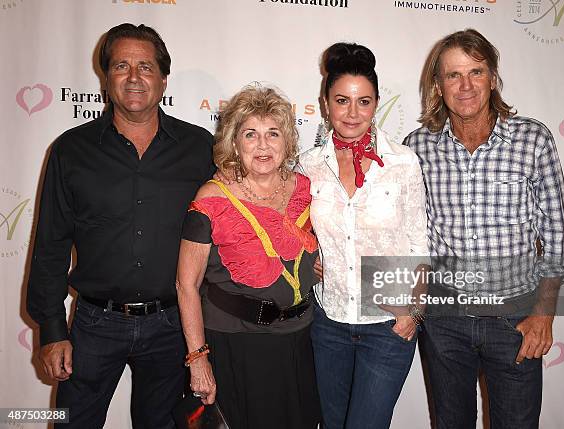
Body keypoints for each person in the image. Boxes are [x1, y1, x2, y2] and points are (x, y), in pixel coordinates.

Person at [26, 23, 215, 428]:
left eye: (146, 67)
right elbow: (51, 245)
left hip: (172, 326)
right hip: (95, 324)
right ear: (105, 77)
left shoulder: (201, 149)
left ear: (164, 79)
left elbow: (232, 229)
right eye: (121, 66)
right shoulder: (70, 151)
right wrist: (52, 329)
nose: (134, 78)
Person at [404, 28, 564, 429]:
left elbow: (557, 235)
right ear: (438, 84)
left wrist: (544, 315)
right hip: (445, 321)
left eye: (476, 72)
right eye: (453, 75)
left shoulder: (533, 140)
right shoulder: (417, 146)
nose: (465, 86)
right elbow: (406, 231)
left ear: (493, 78)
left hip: (516, 318)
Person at [299, 42, 429, 429]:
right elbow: (293, 231)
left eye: (364, 102)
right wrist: (310, 258)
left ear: (376, 104)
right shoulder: (308, 165)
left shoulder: (402, 162)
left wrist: (414, 313)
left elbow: (420, 242)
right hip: (329, 324)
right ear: (325, 104)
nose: (352, 113)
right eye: (342, 101)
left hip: (388, 325)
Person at [176, 85, 321, 429]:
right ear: (234, 143)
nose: (263, 145)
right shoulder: (212, 197)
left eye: (273, 133)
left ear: (287, 140)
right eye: (251, 134)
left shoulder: (307, 187)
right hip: (237, 344)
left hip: (302, 340)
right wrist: (198, 359)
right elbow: (186, 284)